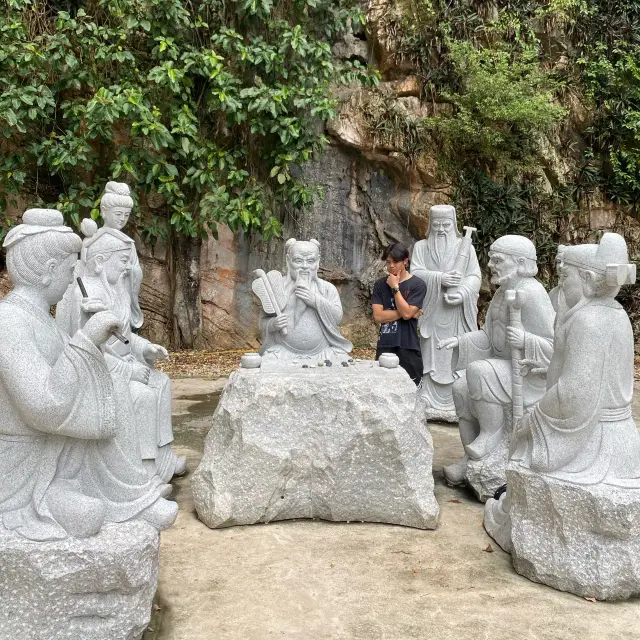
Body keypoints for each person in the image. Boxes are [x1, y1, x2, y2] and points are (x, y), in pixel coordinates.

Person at [0, 209, 176, 541]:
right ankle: (128, 498)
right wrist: (85, 339)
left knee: (114, 382)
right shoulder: (9, 322)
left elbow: (76, 367)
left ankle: (134, 497)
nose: (72, 279)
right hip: (23, 466)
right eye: (69, 270)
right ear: (49, 271)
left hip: (56, 449)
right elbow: (44, 406)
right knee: (88, 516)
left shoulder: (41, 318)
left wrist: (108, 356)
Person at [438, 235, 555, 485]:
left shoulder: (532, 293)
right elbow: (489, 337)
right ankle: (471, 461)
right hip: (501, 366)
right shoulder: (503, 293)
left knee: (479, 371)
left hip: (527, 374)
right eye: (491, 259)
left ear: (520, 263)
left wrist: (525, 340)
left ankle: (491, 435)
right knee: (460, 387)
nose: (491, 265)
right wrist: (462, 341)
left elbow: (554, 347)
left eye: (498, 260)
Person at [411, 205, 481, 419]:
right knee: (431, 353)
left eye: (446, 225)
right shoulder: (421, 247)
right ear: (430, 225)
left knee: (456, 353)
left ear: (455, 225)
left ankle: (458, 400)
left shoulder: (466, 247)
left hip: (457, 313)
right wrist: (440, 278)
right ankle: (428, 398)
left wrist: (462, 293)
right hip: (433, 310)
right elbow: (415, 273)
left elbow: (475, 276)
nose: (441, 230)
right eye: (437, 225)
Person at [258, 238, 353, 363]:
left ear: (317, 262)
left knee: (340, 357)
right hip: (284, 351)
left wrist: (315, 301)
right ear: (288, 260)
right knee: (270, 359)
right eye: (298, 260)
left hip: (323, 352)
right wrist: (273, 324)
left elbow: (336, 318)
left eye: (310, 261)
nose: (304, 266)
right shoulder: (277, 287)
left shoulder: (326, 289)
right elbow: (261, 323)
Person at [372, 243, 427, 385]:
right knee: (382, 388)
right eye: (388, 262)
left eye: (395, 262)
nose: (391, 266)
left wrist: (395, 288)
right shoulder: (380, 285)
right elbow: (378, 317)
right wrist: (406, 312)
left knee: (413, 390)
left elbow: (407, 314)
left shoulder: (417, 284)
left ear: (405, 261)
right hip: (385, 344)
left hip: (408, 345)